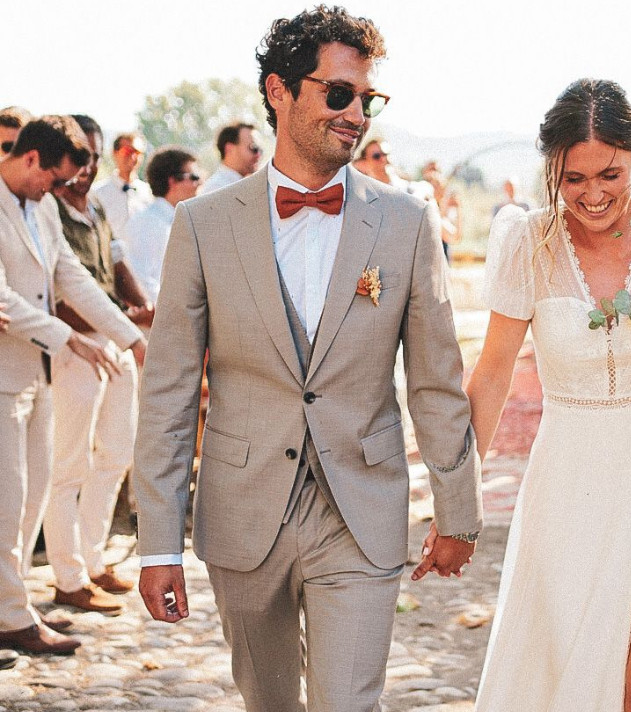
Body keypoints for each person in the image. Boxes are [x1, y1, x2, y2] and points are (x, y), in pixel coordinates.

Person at [132, 7, 482, 712]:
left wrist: (458, 511)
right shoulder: (203, 225)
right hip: (243, 510)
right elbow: (170, 389)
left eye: (368, 100)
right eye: (339, 94)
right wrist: (157, 544)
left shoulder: (407, 222)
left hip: (360, 508)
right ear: (279, 90)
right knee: (267, 703)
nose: (357, 115)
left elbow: (436, 382)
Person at [469, 78, 631, 712]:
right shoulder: (526, 241)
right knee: (571, 666)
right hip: (568, 483)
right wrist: (456, 493)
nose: (593, 194)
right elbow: (493, 372)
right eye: (572, 178)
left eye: (610, 173)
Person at [0, 116, 146, 655]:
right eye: (55, 179)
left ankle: (14, 606)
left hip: (36, 374)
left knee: (32, 498)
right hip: (6, 374)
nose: (57, 190)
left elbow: (73, 277)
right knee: (8, 501)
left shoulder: (41, 208)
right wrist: (70, 338)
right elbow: (3, 298)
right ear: (31, 158)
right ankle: (12, 617)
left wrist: (130, 338)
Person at [45, 115, 153, 616]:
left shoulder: (97, 209)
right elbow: (59, 294)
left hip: (113, 338)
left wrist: (142, 307)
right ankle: (67, 576)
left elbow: (119, 264)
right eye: (78, 156)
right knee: (69, 463)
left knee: (115, 453)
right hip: (74, 346)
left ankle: (92, 560)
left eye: (92, 156)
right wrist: (126, 321)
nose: (85, 167)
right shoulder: (49, 209)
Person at [126, 147, 200, 304]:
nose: (199, 183)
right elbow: (142, 279)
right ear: (172, 181)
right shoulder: (147, 223)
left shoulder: (175, 220)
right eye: (194, 177)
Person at [92, 133, 152, 249]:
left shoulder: (149, 193)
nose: (133, 157)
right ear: (115, 153)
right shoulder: (97, 193)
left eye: (137, 153)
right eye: (127, 151)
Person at [200, 122, 263, 194]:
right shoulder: (216, 189)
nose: (258, 155)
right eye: (254, 148)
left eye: (260, 150)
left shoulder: (247, 184)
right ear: (229, 149)